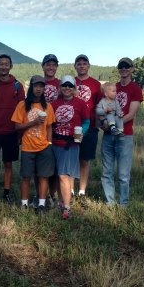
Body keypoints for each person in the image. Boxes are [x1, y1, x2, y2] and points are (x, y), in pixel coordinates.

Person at [100, 58, 143, 206]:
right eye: (121, 66)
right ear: (118, 69)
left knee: (123, 174)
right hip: (108, 136)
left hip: (124, 135)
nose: (123, 68)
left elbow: (131, 114)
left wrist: (114, 124)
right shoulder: (112, 88)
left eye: (127, 66)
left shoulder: (135, 89)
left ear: (132, 69)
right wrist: (104, 123)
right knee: (107, 172)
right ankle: (110, 202)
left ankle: (123, 204)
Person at [11, 75, 56, 211]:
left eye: (41, 86)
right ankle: (24, 204)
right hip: (27, 146)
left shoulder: (47, 107)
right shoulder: (22, 105)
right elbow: (17, 126)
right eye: (36, 86)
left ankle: (41, 204)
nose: (38, 89)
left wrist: (49, 143)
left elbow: (49, 127)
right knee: (26, 177)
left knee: (43, 176)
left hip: (43, 146)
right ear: (31, 87)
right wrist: (34, 122)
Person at [0, 54, 25, 203]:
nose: (3, 66)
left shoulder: (18, 86)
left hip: (11, 132)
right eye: (1, 64)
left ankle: (6, 193)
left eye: (6, 64)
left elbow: (22, 111)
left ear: (11, 66)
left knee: (8, 164)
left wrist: (20, 133)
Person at [51, 75, 89, 219]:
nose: (67, 88)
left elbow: (86, 121)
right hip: (55, 142)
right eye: (64, 85)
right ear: (60, 88)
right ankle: (61, 201)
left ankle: (67, 207)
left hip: (70, 144)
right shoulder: (54, 104)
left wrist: (82, 133)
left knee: (64, 174)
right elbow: (50, 123)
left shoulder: (80, 103)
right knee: (56, 174)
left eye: (70, 86)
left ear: (74, 89)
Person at [73, 54, 103, 200]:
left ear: (88, 66)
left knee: (85, 160)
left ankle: (82, 191)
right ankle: (70, 189)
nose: (82, 66)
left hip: (90, 126)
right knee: (72, 158)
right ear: (75, 66)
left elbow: (99, 105)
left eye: (84, 63)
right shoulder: (70, 82)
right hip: (72, 125)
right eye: (79, 64)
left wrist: (97, 125)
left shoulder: (96, 84)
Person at [41, 53, 61, 207]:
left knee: (54, 165)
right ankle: (41, 194)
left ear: (56, 67)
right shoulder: (38, 83)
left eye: (53, 65)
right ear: (43, 66)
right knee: (40, 165)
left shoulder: (61, 85)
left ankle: (52, 195)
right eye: (48, 64)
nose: (50, 67)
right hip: (39, 129)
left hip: (57, 128)